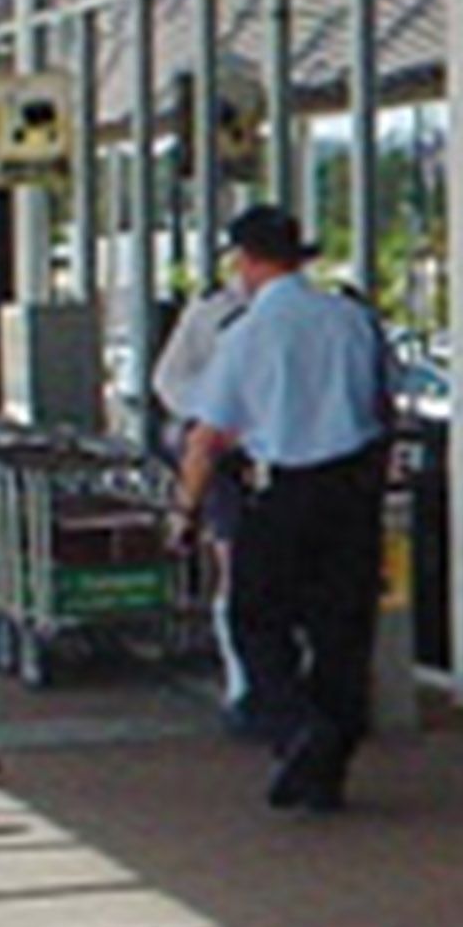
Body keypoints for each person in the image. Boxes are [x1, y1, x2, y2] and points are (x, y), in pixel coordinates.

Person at [171, 205, 395, 814]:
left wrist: (184, 511)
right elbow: (382, 407)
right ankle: (328, 769)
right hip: (351, 494)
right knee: (342, 630)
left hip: (283, 490)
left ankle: (296, 726)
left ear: (246, 262)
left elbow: (206, 436)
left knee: (256, 618)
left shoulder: (245, 334)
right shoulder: (351, 320)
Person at [151, 261, 254, 715]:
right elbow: (170, 379)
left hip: (286, 455)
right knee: (233, 563)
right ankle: (243, 683)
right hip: (231, 455)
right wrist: (214, 410)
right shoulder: (213, 311)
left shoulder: (315, 311)